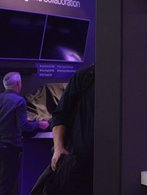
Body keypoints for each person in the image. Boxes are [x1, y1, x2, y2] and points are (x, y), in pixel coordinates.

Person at [0, 71, 49, 195]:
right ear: (18, 84)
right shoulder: (19, 101)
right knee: (6, 185)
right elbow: (24, 126)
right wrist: (39, 124)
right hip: (10, 148)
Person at [49, 64, 95, 194]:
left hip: (115, 166)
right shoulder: (86, 76)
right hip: (80, 165)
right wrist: (58, 148)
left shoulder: (130, 76)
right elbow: (60, 114)